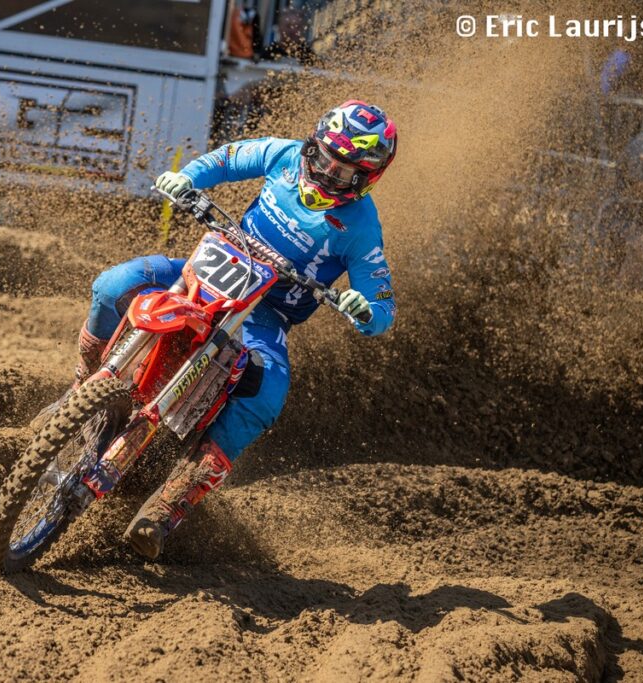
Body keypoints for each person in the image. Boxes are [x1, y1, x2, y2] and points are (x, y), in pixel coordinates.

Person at [74, 101, 399, 560]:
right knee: (113, 285)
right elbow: (226, 159)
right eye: (325, 158)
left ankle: (167, 507)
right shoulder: (283, 155)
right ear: (312, 145)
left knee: (267, 394)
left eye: (344, 172)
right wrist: (187, 178)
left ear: (366, 179)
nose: (328, 173)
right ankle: (79, 391)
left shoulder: (362, 227)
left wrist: (364, 309)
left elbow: (382, 303)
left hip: (267, 313)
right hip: (212, 266)